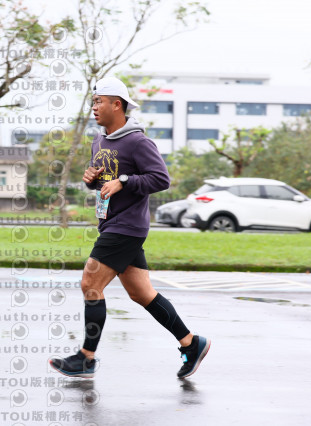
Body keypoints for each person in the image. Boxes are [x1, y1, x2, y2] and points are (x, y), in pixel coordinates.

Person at [49, 77, 210, 380]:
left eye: (99, 101)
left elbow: (160, 179)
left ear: (117, 105)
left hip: (127, 226)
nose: (94, 107)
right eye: (93, 102)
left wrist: (124, 181)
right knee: (141, 293)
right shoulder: (99, 140)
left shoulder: (138, 141)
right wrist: (92, 180)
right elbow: (105, 181)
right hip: (111, 223)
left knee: (90, 283)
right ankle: (191, 343)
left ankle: (86, 357)